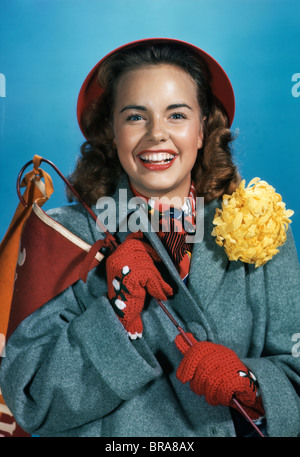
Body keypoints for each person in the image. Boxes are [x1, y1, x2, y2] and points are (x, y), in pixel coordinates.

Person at [0, 38, 299, 438]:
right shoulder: (64, 235)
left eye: (176, 115)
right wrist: (116, 311)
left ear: (202, 131)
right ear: (113, 133)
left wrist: (253, 385)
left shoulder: (262, 228)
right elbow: (30, 401)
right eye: (136, 117)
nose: (157, 135)